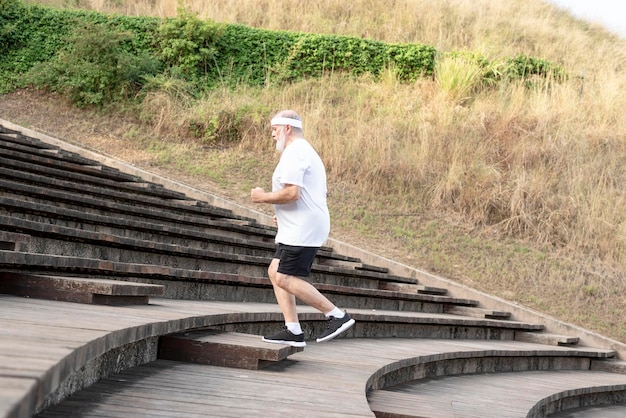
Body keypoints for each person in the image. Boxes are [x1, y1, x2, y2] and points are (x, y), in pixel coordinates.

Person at [250, 110, 355, 347]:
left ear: (287, 128)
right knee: (275, 271)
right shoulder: (302, 151)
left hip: (303, 227)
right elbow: (304, 194)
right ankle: (293, 330)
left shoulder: (295, 152)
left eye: (275, 130)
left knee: (284, 277)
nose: (273, 135)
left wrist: (263, 197)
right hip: (300, 224)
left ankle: (337, 316)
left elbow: (292, 193)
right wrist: (284, 217)